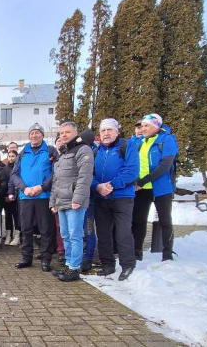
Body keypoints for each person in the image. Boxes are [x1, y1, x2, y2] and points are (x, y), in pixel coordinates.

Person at [93, 118, 139, 280]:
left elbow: (132, 171)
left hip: (122, 197)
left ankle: (127, 265)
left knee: (123, 232)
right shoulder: (96, 151)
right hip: (101, 198)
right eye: (103, 131)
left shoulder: (127, 146)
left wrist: (111, 185)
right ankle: (108, 265)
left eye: (109, 130)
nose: (106, 133)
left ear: (117, 132)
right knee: (103, 234)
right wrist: (98, 186)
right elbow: (89, 175)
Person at [48, 123, 94, 282]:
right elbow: (56, 180)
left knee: (75, 235)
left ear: (76, 132)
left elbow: (85, 177)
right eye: (61, 133)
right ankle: (68, 263)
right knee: (65, 234)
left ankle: (74, 267)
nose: (64, 135)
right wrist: (53, 201)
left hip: (74, 201)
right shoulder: (63, 152)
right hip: (61, 201)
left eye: (67, 132)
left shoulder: (83, 150)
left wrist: (78, 199)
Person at [11, 123, 59, 272]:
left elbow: (56, 172)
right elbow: (14, 174)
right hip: (26, 197)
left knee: (45, 229)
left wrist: (42, 186)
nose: (34, 136)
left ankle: (46, 259)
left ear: (42, 135)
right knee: (26, 228)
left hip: (43, 195)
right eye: (32, 133)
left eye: (37, 133)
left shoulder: (50, 151)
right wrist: (25, 188)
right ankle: (26, 258)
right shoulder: (22, 153)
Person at [133, 113, 178, 262]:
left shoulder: (167, 140)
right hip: (142, 188)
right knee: (139, 220)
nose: (143, 129)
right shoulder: (141, 142)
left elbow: (165, 165)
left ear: (156, 126)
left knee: (165, 221)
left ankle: (167, 254)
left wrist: (143, 180)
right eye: (142, 126)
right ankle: (136, 252)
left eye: (147, 126)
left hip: (161, 187)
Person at [0, 150, 20, 246]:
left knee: (17, 216)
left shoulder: (20, 168)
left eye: (13, 156)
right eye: (9, 156)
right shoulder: (4, 169)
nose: (11, 158)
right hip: (7, 197)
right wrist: (5, 196)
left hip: (18, 197)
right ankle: (8, 235)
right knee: (8, 216)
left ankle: (17, 236)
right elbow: (3, 183)